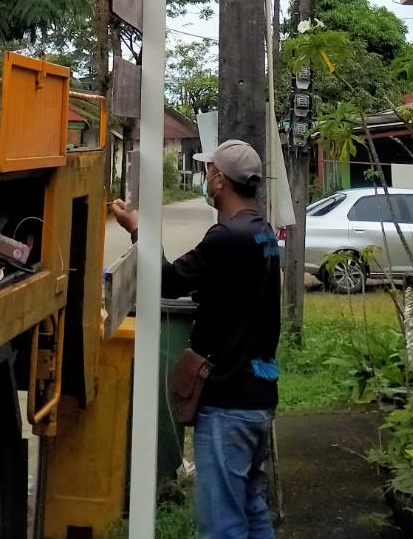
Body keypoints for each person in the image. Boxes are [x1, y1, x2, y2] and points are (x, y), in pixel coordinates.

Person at [111, 138, 280, 539]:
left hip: (228, 404)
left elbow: (168, 280)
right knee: (252, 509)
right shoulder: (263, 233)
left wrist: (137, 229)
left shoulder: (226, 238)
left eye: (208, 172)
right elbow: (233, 294)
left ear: (220, 180)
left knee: (221, 525)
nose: (205, 179)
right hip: (258, 397)